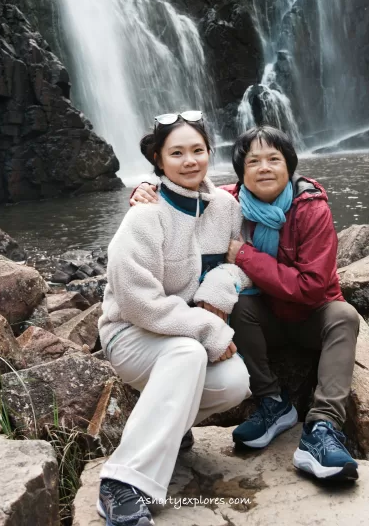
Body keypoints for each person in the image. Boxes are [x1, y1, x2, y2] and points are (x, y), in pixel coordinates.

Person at [130, 124, 360, 481]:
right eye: (253, 161)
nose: (264, 168)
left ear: (290, 165)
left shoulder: (310, 208)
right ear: (241, 173)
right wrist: (148, 188)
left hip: (309, 315)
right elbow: (186, 192)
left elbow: (314, 288)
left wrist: (246, 257)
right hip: (264, 318)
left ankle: (323, 428)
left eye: (274, 159)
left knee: (344, 316)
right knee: (231, 302)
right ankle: (273, 403)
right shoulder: (229, 203)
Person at [97, 111, 252, 526]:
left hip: (181, 339)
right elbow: (135, 301)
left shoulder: (225, 207)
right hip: (130, 334)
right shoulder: (145, 215)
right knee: (188, 354)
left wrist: (220, 283)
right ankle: (121, 483)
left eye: (197, 150)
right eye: (177, 153)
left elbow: (242, 261)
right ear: (158, 160)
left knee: (236, 382)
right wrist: (205, 326)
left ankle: (170, 426)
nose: (190, 161)